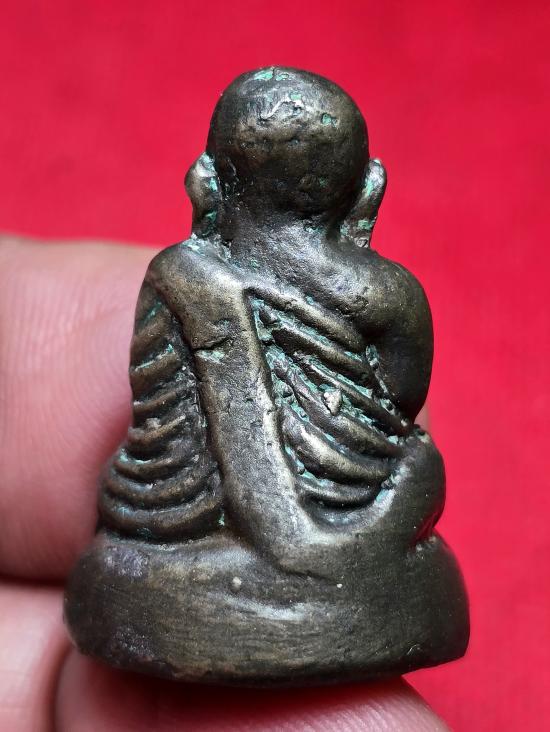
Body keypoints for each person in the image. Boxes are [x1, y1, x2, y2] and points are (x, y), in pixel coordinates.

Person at [0, 235, 450, 730]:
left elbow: (400, 397)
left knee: (416, 465)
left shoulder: (381, 291)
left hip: (337, 512)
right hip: (187, 516)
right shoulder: (191, 279)